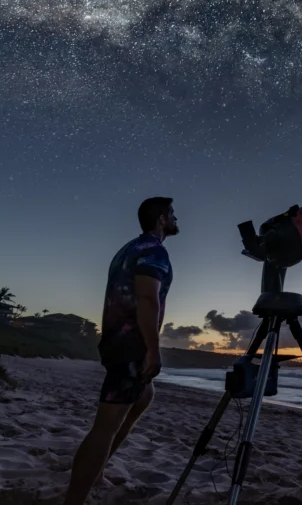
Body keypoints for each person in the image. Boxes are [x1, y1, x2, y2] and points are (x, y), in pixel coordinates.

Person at [63, 197, 179, 504]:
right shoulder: (154, 250)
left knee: (144, 396)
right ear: (161, 219)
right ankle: (74, 499)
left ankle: (97, 471)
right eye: (173, 214)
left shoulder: (129, 249)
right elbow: (147, 299)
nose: (177, 219)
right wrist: (153, 349)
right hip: (130, 346)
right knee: (105, 427)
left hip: (119, 342)